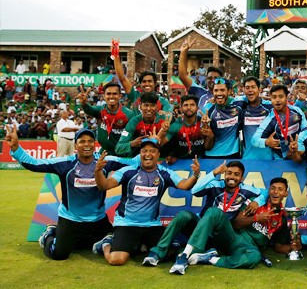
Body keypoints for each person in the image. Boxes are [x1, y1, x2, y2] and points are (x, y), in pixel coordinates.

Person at [6, 127, 136, 260]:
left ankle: (89, 240)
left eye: (90, 141)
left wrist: (153, 144)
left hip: (98, 220)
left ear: (94, 144)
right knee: (59, 254)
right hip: (71, 220)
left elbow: (134, 163)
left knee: (119, 246)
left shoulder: (105, 161)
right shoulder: (65, 164)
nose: (87, 144)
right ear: (75, 145)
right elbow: (35, 164)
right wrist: (16, 148)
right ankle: (49, 234)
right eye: (82, 141)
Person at [92, 137, 199, 266]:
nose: (148, 154)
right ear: (140, 154)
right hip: (127, 224)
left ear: (158, 155)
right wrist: (98, 171)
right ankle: (106, 242)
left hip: (152, 225)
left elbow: (185, 185)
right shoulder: (128, 171)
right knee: (116, 260)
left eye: (152, 151)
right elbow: (104, 185)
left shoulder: (164, 173)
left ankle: (140, 244)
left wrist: (195, 175)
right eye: (144, 151)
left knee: (169, 253)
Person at [166, 160, 268, 274]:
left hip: (224, 235)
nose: (232, 177)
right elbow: (195, 190)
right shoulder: (215, 184)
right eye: (229, 173)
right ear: (224, 174)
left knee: (254, 256)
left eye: (236, 174)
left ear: (242, 178)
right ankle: (184, 255)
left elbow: (265, 192)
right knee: (211, 212)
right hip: (205, 233)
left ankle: (210, 259)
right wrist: (214, 173)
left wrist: (257, 202)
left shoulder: (246, 189)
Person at [188, 177, 300, 269]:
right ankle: (190, 252)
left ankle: (211, 259)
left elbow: (278, 247)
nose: (276, 192)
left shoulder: (282, 218)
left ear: (285, 193)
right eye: (273, 188)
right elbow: (236, 223)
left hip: (248, 248)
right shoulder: (255, 203)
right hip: (234, 238)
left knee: (254, 257)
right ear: (269, 190)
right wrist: (256, 218)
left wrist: (294, 246)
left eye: (280, 189)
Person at [111, 39, 173, 114]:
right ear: (140, 84)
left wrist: (165, 114)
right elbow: (122, 78)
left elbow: (169, 115)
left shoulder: (162, 101)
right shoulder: (134, 95)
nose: (147, 84)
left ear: (155, 83)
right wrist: (115, 55)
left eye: (150, 81)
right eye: (144, 81)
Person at [252, 84, 307, 160]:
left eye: (281, 96)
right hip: (280, 161)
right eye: (274, 97)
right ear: (271, 99)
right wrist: (267, 142)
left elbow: (306, 131)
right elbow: (254, 140)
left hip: (299, 156)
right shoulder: (269, 120)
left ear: (286, 98)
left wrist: (298, 146)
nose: (277, 100)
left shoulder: (297, 111)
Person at [79, 82, 135, 155]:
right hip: (104, 153)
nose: (111, 96)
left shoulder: (128, 114)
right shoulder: (100, 110)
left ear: (120, 96)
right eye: (108, 94)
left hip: (122, 154)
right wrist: (83, 103)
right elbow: (89, 110)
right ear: (104, 96)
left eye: (115, 94)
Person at [158, 94, 214, 163]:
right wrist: (163, 132)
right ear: (181, 108)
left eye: (192, 105)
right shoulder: (176, 125)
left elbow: (207, 148)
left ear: (197, 108)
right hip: (180, 163)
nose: (189, 107)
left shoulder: (203, 123)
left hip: (200, 162)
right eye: (185, 105)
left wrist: (210, 136)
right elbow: (160, 144)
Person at [114, 92, 169, 157]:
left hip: (159, 160)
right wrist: (132, 144)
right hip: (137, 159)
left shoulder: (163, 121)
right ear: (140, 106)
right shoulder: (134, 122)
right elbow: (118, 148)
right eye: (146, 105)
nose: (149, 109)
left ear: (157, 107)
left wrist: (161, 136)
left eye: (152, 105)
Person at [177, 37, 225, 110]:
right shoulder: (199, 91)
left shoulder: (227, 97)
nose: (212, 80)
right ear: (206, 79)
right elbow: (182, 76)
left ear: (222, 80)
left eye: (216, 78)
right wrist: (183, 52)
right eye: (209, 78)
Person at [202, 78, 243, 159]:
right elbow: (205, 141)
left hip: (233, 153)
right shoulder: (208, 108)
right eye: (216, 90)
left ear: (229, 91)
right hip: (212, 155)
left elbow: (256, 99)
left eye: (222, 90)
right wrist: (205, 127)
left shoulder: (239, 104)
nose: (219, 93)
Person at [235, 76, 274, 160]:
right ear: (244, 90)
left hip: (268, 158)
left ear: (259, 90)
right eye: (247, 88)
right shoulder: (241, 106)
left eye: (253, 87)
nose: (250, 90)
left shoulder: (269, 107)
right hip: (248, 158)